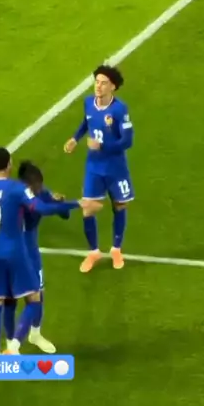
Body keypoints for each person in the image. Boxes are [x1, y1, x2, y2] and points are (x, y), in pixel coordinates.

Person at [0, 147, 91, 354]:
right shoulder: (18, 193)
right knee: (11, 301)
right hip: (17, 252)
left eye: (40, 184)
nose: (38, 187)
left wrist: (59, 202)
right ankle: (11, 343)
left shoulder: (38, 192)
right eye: (36, 184)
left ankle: (34, 334)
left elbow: (62, 214)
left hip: (28, 253)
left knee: (37, 293)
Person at [64, 64, 134, 272]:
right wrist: (75, 138)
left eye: (104, 83)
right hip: (94, 167)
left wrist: (102, 146)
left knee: (119, 205)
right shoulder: (88, 102)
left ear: (113, 87)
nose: (99, 86)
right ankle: (93, 252)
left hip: (116, 167)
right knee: (88, 208)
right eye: (97, 82)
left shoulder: (120, 109)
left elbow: (127, 141)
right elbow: (86, 122)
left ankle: (116, 249)